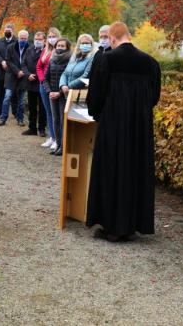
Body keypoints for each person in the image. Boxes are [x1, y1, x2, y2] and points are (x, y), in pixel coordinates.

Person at [85, 22, 161, 242]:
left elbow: (96, 95)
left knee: (112, 170)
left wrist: (99, 115)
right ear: (129, 35)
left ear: (112, 38)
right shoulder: (150, 63)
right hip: (140, 128)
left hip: (113, 125)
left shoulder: (107, 60)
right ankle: (132, 223)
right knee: (135, 171)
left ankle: (112, 225)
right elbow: (154, 98)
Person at [43, 38, 72, 156]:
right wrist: (49, 91)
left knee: (62, 121)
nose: (59, 48)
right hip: (52, 95)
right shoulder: (52, 60)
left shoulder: (70, 61)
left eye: (62, 46)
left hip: (63, 95)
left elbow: (69, 80)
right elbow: (45, 78)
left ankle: (64, 147)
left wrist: (59, 93)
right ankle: (58, 144)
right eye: (58, 46)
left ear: (67, 48)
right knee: (55, 120)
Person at [0, 30, 30, 127]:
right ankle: (3, 118)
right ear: (18, 37)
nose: (23, 40)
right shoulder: (11, 47)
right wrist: (17, 71)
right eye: (21, 38)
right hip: (11, 76)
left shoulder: (30, 48)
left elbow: (30, 62)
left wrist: (23, 72)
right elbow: (8, 61)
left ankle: (20, 119)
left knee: (21, 100)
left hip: (23, 77)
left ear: (27, 38)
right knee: (7, 97)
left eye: (24, 38)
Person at [37, 27, 61, 150]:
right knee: (48, 112)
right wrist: (42, 80)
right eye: (50, 36)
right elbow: (39, 66)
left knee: (55, 113)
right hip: (43, 85)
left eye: (54, 36)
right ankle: (52, 137)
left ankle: (58, 139)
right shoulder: (45, 50)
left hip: (54, 85)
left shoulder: (60, 50)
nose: (52, 38)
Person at [23, 31, 47, 136]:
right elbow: (23, 64)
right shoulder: (29, 50)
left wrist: (37, 76)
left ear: (44, 40)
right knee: (32, 107)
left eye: (40, 39)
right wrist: (28, 74)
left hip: (41, 82)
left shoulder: (47, 51)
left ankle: (41, 129)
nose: (38, 41)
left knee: (43, 108)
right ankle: (32, 128)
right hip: (30, 82)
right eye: (36, 39)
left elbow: (46, 66)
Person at [59, 33, 97, 99]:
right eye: (82, 43)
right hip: (68, 94)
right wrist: (62, 85)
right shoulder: (74, 57)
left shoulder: (93, 58)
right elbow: (65, 73)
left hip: (81, 95)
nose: (85, 45)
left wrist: (69, 86)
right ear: (79, 45)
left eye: (87, 43)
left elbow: (86, 76)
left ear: (91, 45)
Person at [0, 23, 17, 118]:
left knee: (13, 93)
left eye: (9, 31)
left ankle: (15, 112)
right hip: (1, 70)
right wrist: (2, 62)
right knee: (0, 93)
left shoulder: (16, 41)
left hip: (12, 71)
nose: (7, 32)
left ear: (12, 31)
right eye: (5, 31)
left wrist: (10, 64)